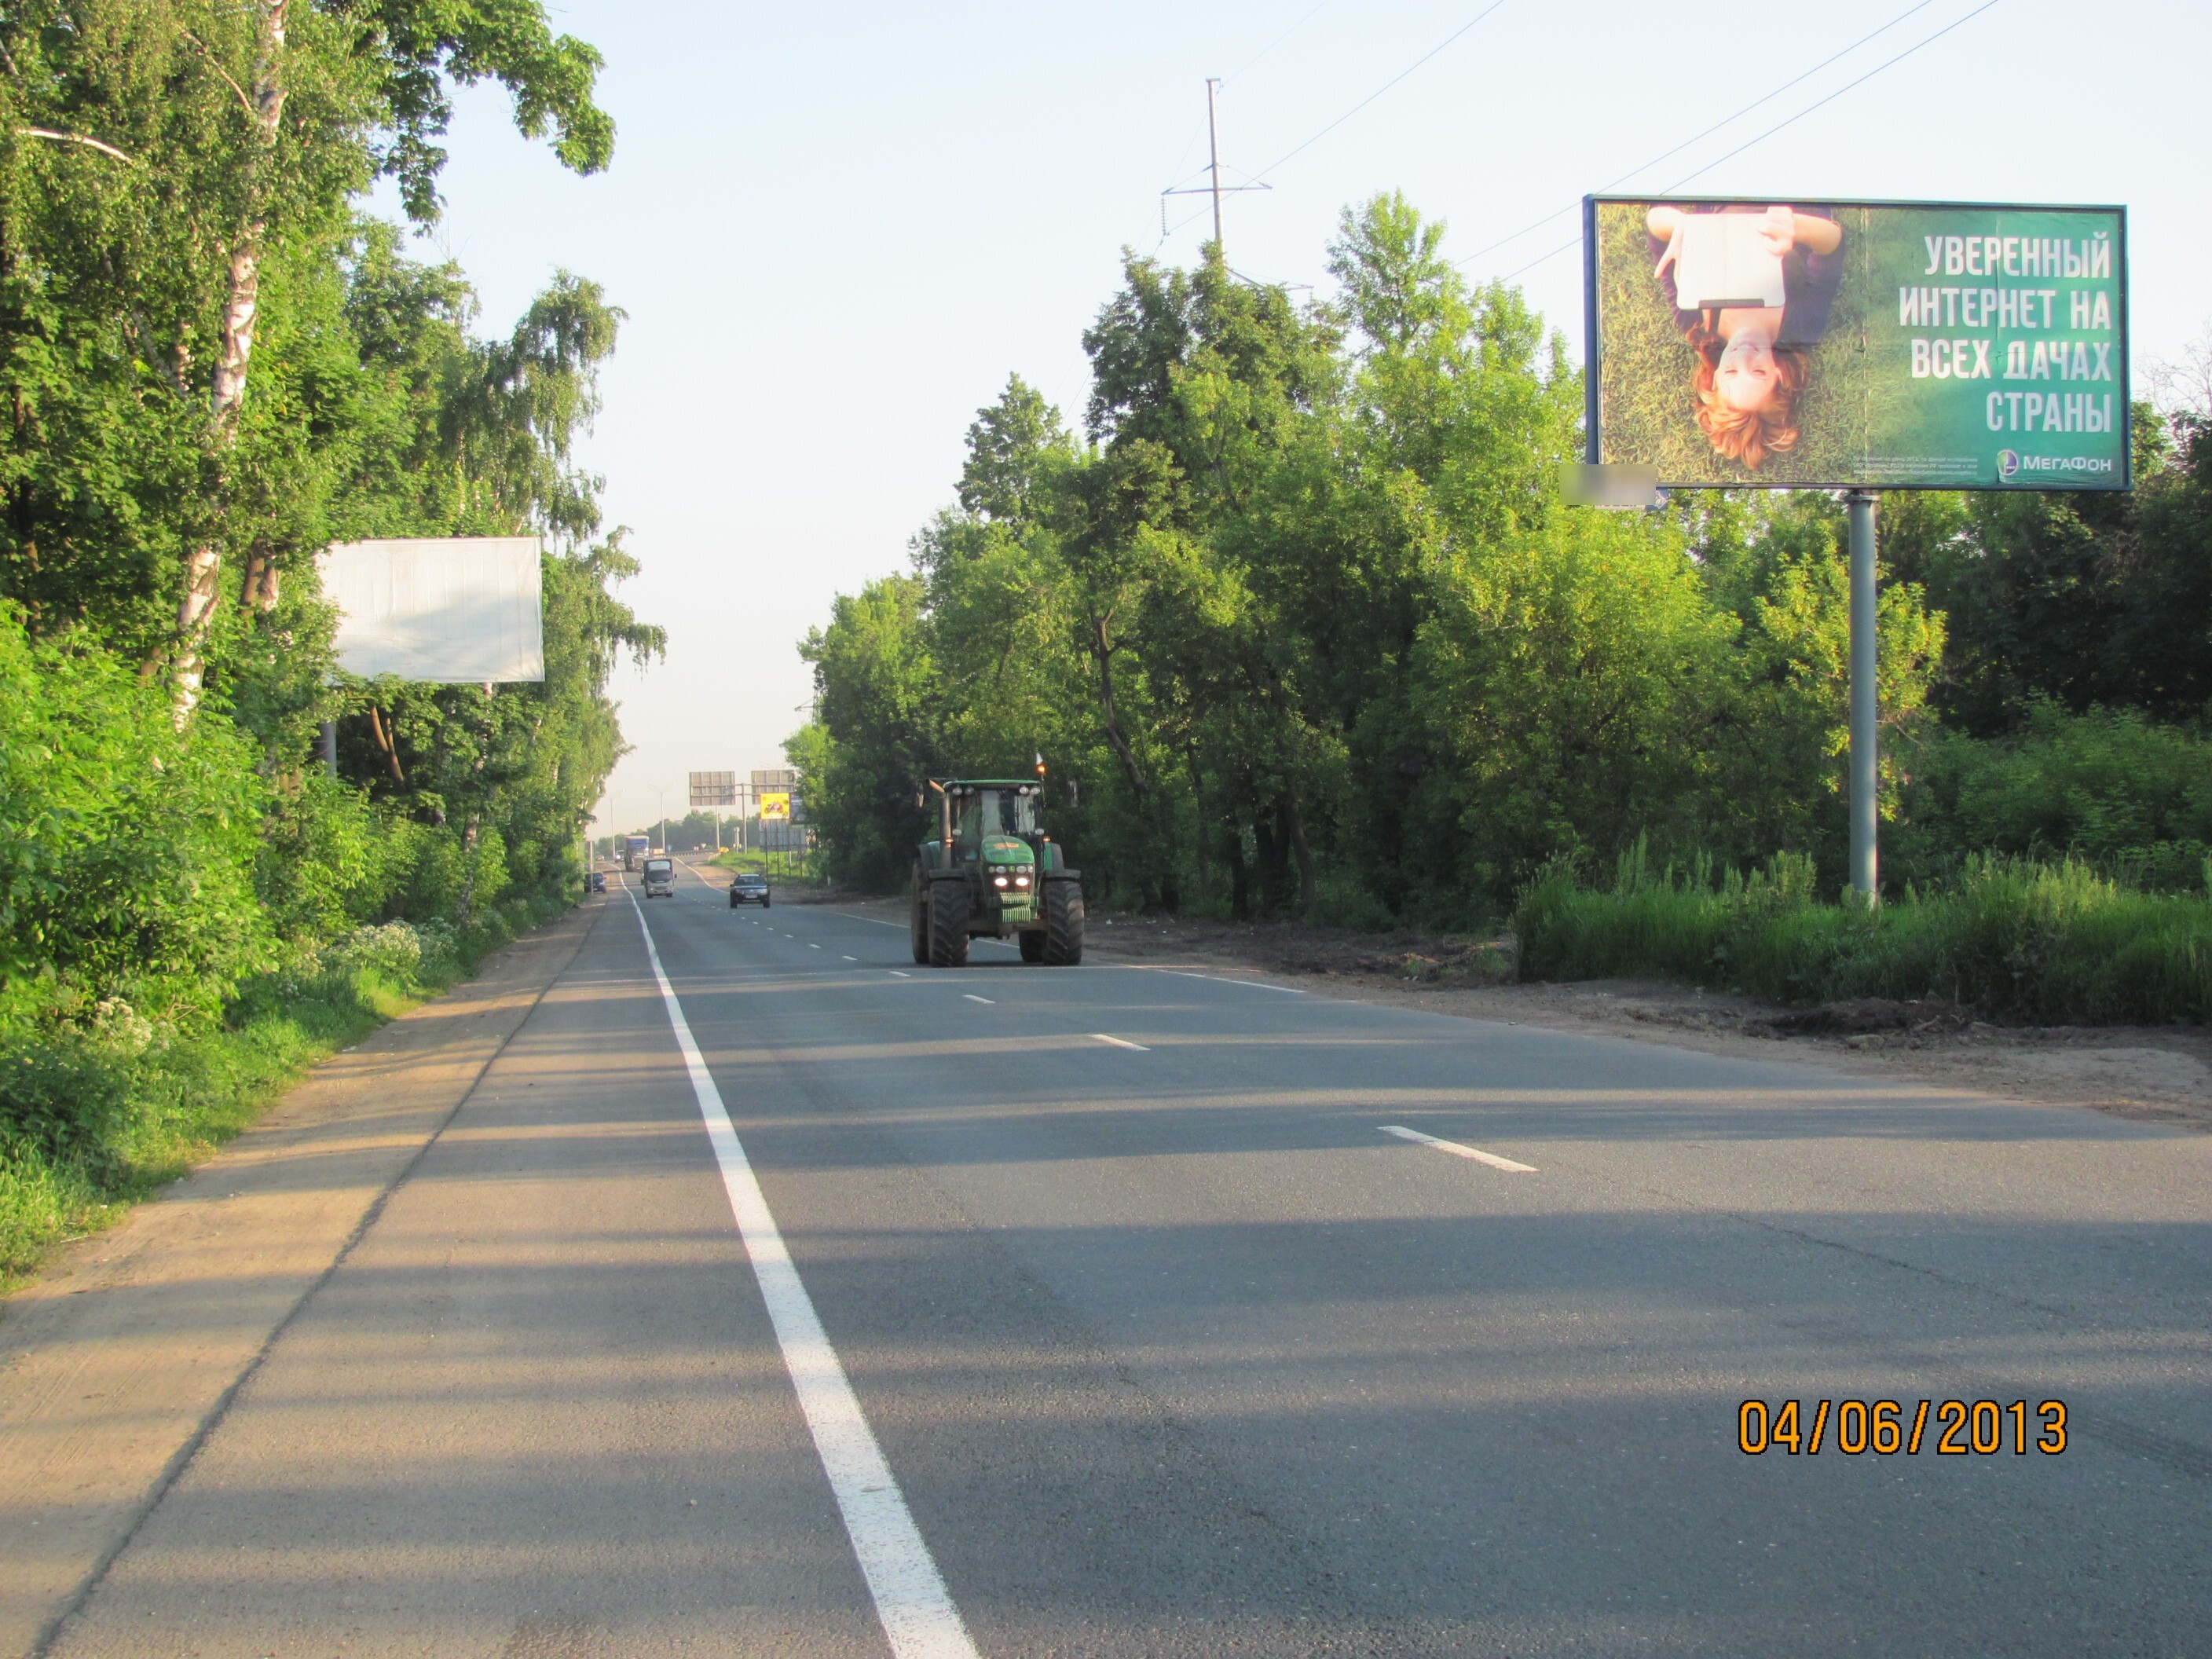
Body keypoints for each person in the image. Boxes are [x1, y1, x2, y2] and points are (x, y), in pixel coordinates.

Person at [1646, 203, 1843, 471]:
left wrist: (1681, 226)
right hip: (1792, 197)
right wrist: (1793, 226)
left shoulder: (1696, 322)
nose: (1743, 356)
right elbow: (1831, 245)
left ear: (1715, 378)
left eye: (1731, 373)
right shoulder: (1801, 329)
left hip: (1721, 196)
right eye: (1758, 372)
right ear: (1779, 376)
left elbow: (1655, 222)